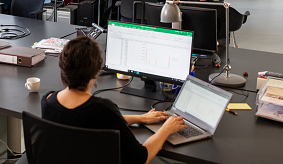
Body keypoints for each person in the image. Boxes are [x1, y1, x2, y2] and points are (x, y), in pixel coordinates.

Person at [42, 37, 186, 164]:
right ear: (97, 70)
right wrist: (166, 129)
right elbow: (141, 158)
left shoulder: (48, 101)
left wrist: (140, 118)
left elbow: (91, 121)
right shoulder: (103, 109)